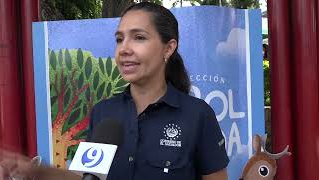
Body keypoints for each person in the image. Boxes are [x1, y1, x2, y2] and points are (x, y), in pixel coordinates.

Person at [87, 2, 229, 180]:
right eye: (119, 39)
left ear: (168, 48)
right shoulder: (102, 112)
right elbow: (87, 175)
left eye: (139, 37)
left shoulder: (199, 115)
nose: (123, 49)